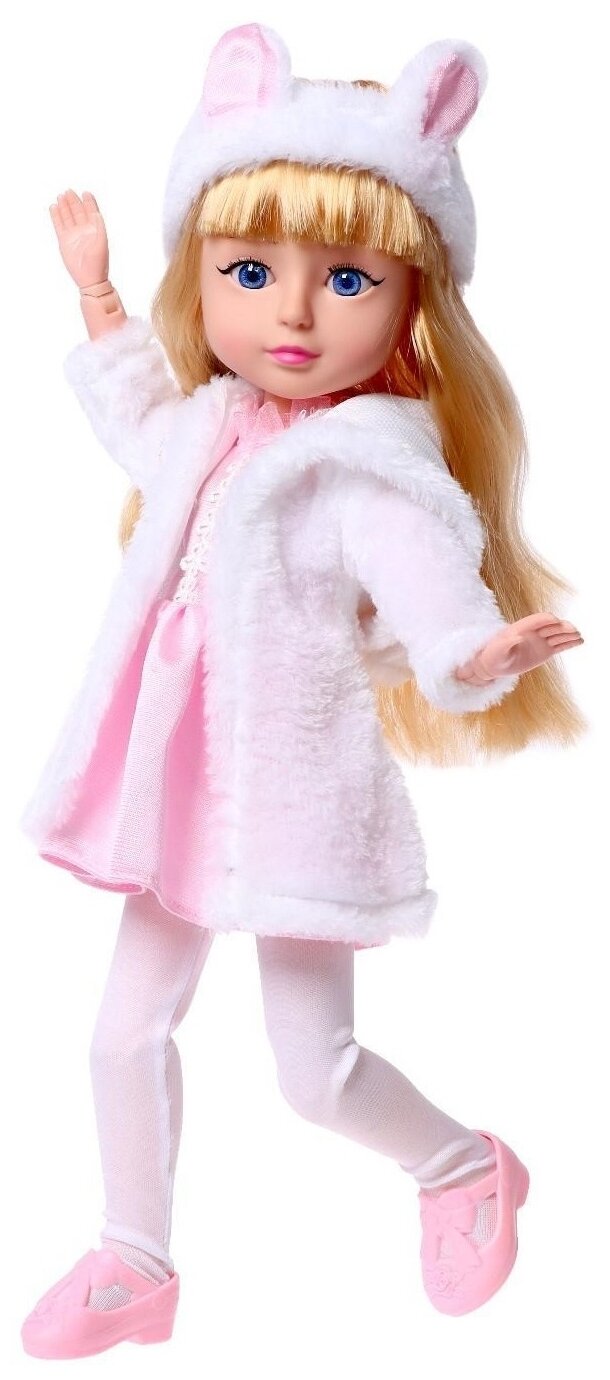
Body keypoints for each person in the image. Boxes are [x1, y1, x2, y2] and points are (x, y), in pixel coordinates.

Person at [20, 22, 585, 1359]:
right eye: (249, 271)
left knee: (312, 1075)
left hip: (290, 792)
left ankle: (463, 1167)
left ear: (410, 302)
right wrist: (97, 295)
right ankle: (134, 1259)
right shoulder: (209, 424)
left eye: (344, 280)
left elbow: (429, 586)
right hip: (171, 780)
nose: (289, 314)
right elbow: (132, 420)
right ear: (204, 276)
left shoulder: (367, 469)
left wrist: (472, 653)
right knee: (118, 1037)